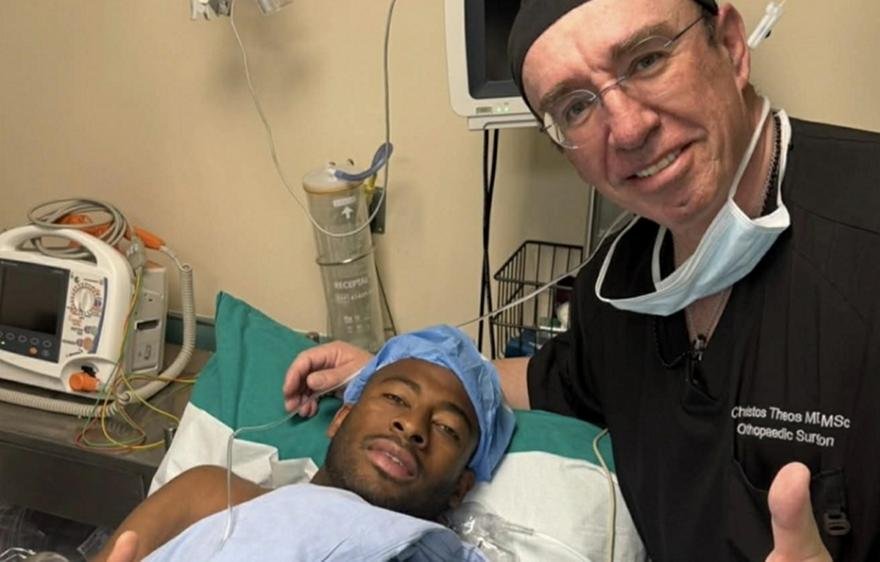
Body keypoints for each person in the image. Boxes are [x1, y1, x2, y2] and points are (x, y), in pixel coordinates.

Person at [283, 1, 880, 560]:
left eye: (647, 60)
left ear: (729, 45)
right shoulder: (616, 288)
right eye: (575, 106)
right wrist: (390, 369)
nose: (627, 129)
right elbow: (549, 379)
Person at [94, 326, 515, 562]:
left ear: (461, 487)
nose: (412, 425)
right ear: (342, 418)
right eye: (395, 398)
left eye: (446, 428)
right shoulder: (210, 496)